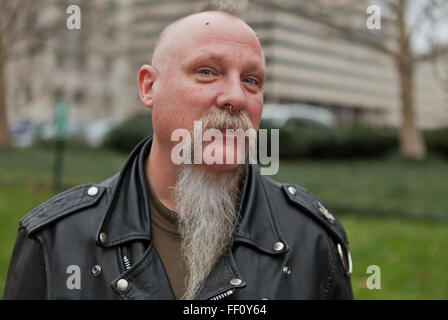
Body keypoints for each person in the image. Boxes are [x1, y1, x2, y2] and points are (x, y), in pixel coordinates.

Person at [4, 1, 353, 300]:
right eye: (206, 71)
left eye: (251, 80)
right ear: (149, 87)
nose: (235, 96)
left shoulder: (312, 240)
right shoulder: (55, 239)